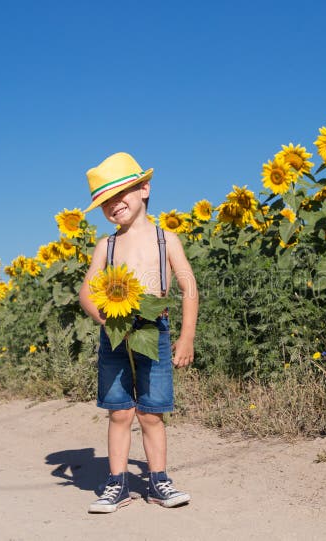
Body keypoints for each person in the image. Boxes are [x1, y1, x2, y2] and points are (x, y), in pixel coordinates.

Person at [78, 151, 198, 513]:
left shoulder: (167, 240)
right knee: (119, 411)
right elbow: (86, 291)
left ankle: (159, 480)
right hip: (115, 331)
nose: (115, 206)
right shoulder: (107, 245)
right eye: (106, 203)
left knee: (151, 412)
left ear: (144, 189)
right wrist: (104, 320)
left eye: (121, 195)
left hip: (154, 329)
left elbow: (188, 285)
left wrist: (187, 334)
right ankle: (118, 483)